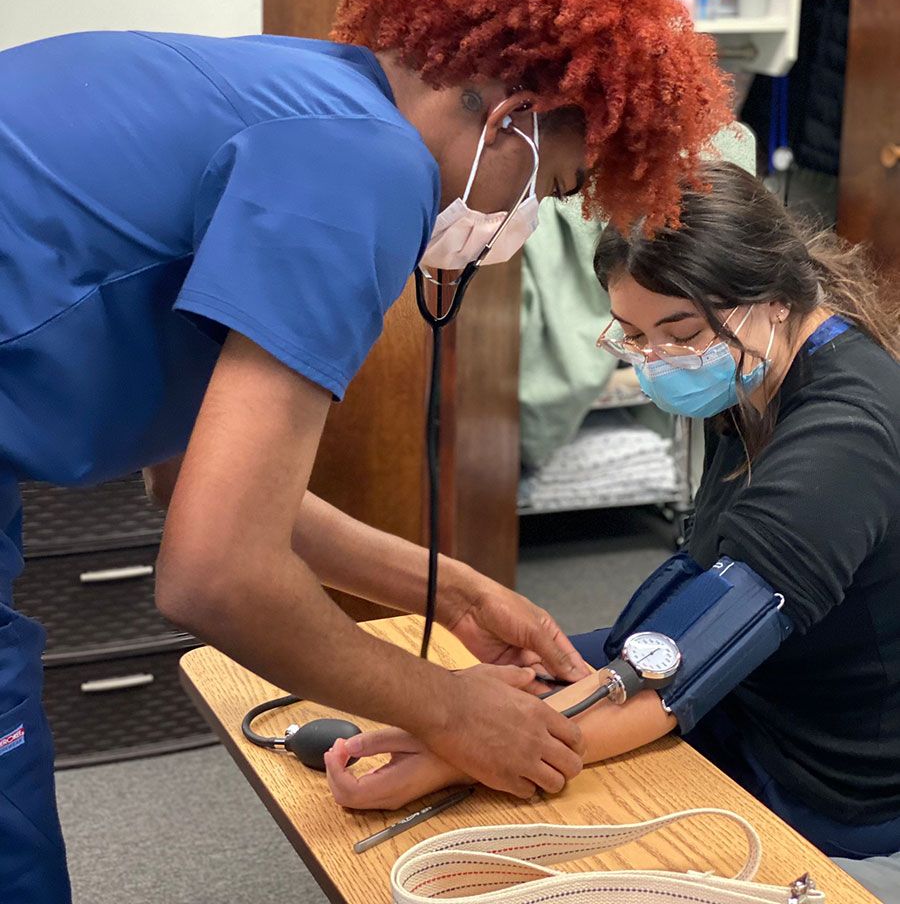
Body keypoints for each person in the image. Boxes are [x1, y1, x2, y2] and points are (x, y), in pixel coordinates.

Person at [0, 0, 730, 901]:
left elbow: (207, 493)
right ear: (513, 124)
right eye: (552, 190)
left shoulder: (306, 96)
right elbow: (213, 574)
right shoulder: (365, 170)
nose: (525, 225)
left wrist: (459, 590)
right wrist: (445, 706)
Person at [325, 161, 900, 867]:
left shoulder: (844, 435)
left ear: (774, 298)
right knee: (519, 687)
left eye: (682, 333)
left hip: (828, 782)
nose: (659, 359)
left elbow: (702, 644)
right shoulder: (759, 373)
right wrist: (471, 706)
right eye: (633, 333)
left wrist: (462, 749)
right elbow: (699, 588)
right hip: (752, 706)